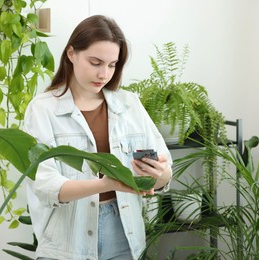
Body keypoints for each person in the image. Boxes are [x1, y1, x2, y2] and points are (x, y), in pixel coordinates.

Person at [23, 14, 172, 260]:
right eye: (95, 62)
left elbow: (164, 173)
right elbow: (45, 185)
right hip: (67, 238)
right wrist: (105, 185)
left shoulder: (130, 104)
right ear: (71, 53)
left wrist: (158, 175)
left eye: (112, 65)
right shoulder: (43, 109)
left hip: (124, 231)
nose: (104, 74)